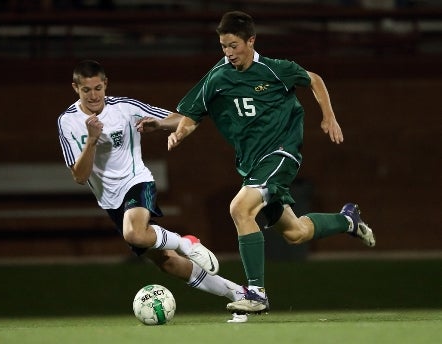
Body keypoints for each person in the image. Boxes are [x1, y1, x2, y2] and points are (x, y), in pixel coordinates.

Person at [152, 11, 376, 315]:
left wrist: (328, 116)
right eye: (223, 47)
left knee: (240, 208)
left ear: (251, 41)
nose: (229, 53)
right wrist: (174, 130)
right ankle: (347, 219)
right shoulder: (217, 77)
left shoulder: (274, 69)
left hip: (281, 154)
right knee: (295, 233)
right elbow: (191, 115)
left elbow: (314, 80)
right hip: (252, 164)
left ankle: (256, 294)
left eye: (234, 45)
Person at [57, 60, 248, 322]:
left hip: (137, 182)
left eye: (98, 88)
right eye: (86, 90)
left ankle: (185, 242)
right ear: (75, 88)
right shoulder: (68, 122)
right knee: (167, 262)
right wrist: (91, 140)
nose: (93, 96)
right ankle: (238, 293)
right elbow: (80, 176)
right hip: (109, 201)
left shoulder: (124, 108)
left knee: (135, 233)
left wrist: (158, 126)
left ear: (106, 85)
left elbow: (183, 119)